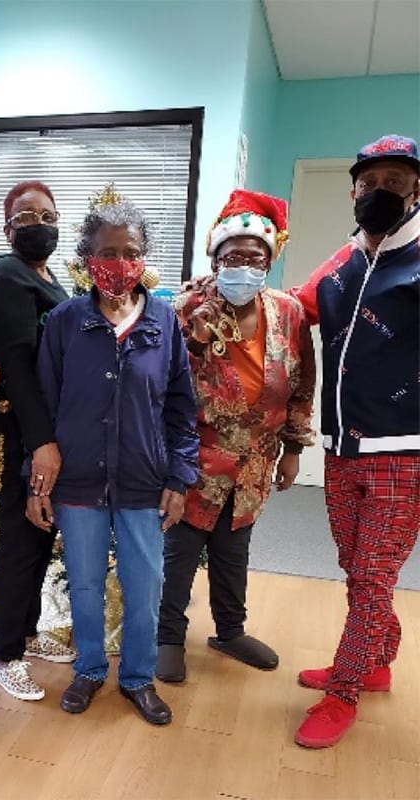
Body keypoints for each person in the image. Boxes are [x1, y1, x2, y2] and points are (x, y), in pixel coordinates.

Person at [29, 187, 198, 723]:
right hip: (78, 481)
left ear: (143, 258)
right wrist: (38, 482)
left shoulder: (164, 322)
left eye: (130, 252)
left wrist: (179, 477)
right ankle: (88, 669)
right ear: (87, 258)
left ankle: (138, 678)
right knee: (83, 583)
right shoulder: (64, 322)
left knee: (144, 587)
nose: (119, 263)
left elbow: (182, 408)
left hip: (144, 481)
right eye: (107, 252)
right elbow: (43, 407)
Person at [291, 135, 420, 749]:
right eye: (369, 183)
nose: (380, 193)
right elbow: (292, 310)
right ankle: (377, 659)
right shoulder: (344, 261)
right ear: (353, 192)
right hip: (341, 446)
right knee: (356, 568)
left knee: (371, 576)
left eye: (395, 182)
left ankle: (343, 693)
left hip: (405, 450)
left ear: (415, 190)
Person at [156, 189, 315, 684]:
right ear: (215, 259)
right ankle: (166, 636)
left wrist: (292, 450)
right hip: (195, 456)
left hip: (255, 460)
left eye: (255, 258)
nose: (243, 266)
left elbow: (302, 384)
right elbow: (158, 381)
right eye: (233, 257)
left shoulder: (288, 312)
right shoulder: (185, 307)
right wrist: (195, 339)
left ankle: (230, 631)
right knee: (180, 551)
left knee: (233, 548)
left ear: (269, 261)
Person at [0, 180, 76, 701]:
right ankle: (5, 655)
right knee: (19, 533)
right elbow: (15, 364)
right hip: (14, 430)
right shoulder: (7, 275)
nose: (40, 225)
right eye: (27, 217)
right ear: (7, 229)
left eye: (48, 216)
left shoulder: (47, 276)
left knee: (39, 533)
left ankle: (28, 632)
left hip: (44, 428)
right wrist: (41, 444)